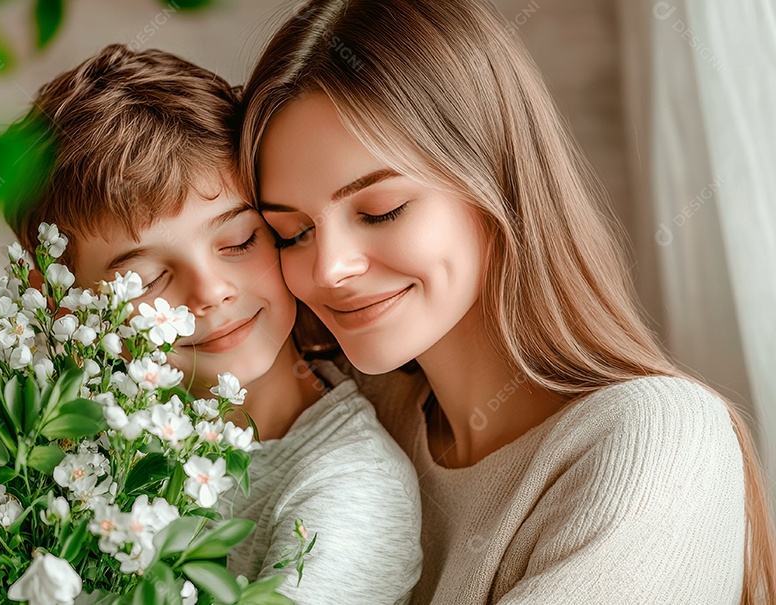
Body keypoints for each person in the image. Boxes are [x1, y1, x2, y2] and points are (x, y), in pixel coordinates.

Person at [237, 0, 776, 603]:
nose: (329, 269)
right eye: (293, 232)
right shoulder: (349, 421)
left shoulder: (658, 440)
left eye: (380, 210)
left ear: (496, 182)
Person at [3, 44, 422, 603]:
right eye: (148, 279)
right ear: (58, 302)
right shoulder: (53, 444)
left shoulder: (349, 491)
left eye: (238, 241)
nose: (209, 292)